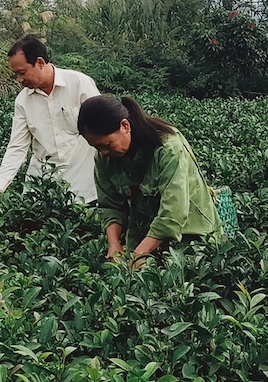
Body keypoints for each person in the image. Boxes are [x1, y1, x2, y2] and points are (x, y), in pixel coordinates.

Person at [77, 95, 218, 260]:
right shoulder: (104, 158)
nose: (103, 152)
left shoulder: (168, 149)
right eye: (96, 147)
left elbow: (173, 212)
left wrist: (139, 254)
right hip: (144, 238)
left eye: (106, 144)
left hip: (193, 239)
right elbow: (110, 206)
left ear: (125, 126)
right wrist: (114, 244)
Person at [0, 34, 99, 203]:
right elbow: (17, 147)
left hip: (83, 183)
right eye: (16, 74)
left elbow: (104, 127)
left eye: (22, 72)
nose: (19, 80)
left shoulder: (79, 84)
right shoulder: (23, 101)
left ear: (40, 63)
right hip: (42, 185)